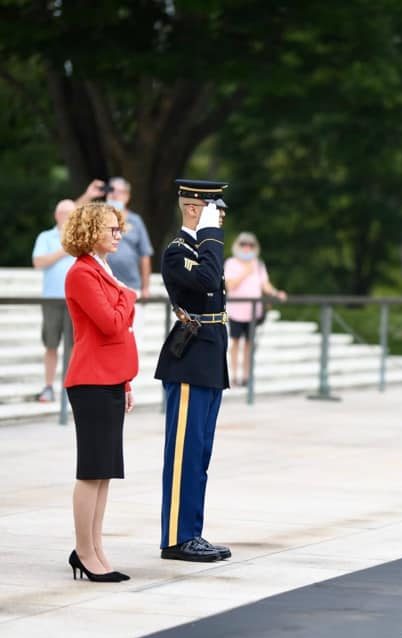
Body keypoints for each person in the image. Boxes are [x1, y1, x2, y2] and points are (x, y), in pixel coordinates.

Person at [154, 179, 232, 562]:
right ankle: (176, 536)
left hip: (209, 355)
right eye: (214, 210)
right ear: (192, 208)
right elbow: (204, 279)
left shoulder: (199, 249)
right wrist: (212, 235)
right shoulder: (177, 251)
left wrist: (211, 237)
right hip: (189, 359)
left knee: (199, 453)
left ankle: (192, 533)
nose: (220, 219)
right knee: (184, 452)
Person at [61, 202, 138, 582]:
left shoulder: (102, 270)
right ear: (91, 232)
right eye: (111, 229)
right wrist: (129, 296)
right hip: (90, 381)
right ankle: (84, 551)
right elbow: (110, 325)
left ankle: (95, 547)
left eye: (118, 228)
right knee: (91, 471)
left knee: (104, 472)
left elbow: (117, 328)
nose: (117, 234)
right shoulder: (81, 274)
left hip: (109, 379)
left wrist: (124, 381)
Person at [225, 230, 287, 386]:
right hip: (236, 311)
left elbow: (265, 284)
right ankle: (234, 375)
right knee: (235, 342)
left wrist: (276, 293)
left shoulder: (258, 264)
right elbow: (229, 285)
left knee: (249, 344)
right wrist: (245, 272)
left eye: (250, 245)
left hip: (253, 312)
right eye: (243, 244)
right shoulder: (231, 263)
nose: (247, 248)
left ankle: (246, 376)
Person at [31, 199, 77, 402]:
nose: (67, 217)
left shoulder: (81, 237)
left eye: (71, 213)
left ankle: (71, 388)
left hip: (75, 300)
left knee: (74, 346)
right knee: (51, 343)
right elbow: (38, 262)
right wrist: (63, 251)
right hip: (51, 298)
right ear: (57, 215)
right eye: (64, 212)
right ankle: (48, 386)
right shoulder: (45, 237)